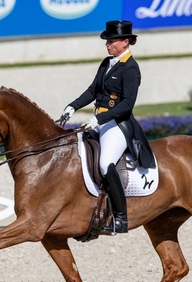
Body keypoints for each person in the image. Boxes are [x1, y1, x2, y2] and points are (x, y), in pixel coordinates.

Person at [60, 20, 156, 234]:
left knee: (105, 163)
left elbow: (127, 105)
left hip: (118, 125)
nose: (107, 45)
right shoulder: (107, 63)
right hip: (100, 121)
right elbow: (93, 90)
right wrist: (72, 106)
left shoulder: (131, 68)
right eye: (107, 41)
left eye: (111, 41)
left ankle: (121, 218)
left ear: (125, 42)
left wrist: (100, 120)